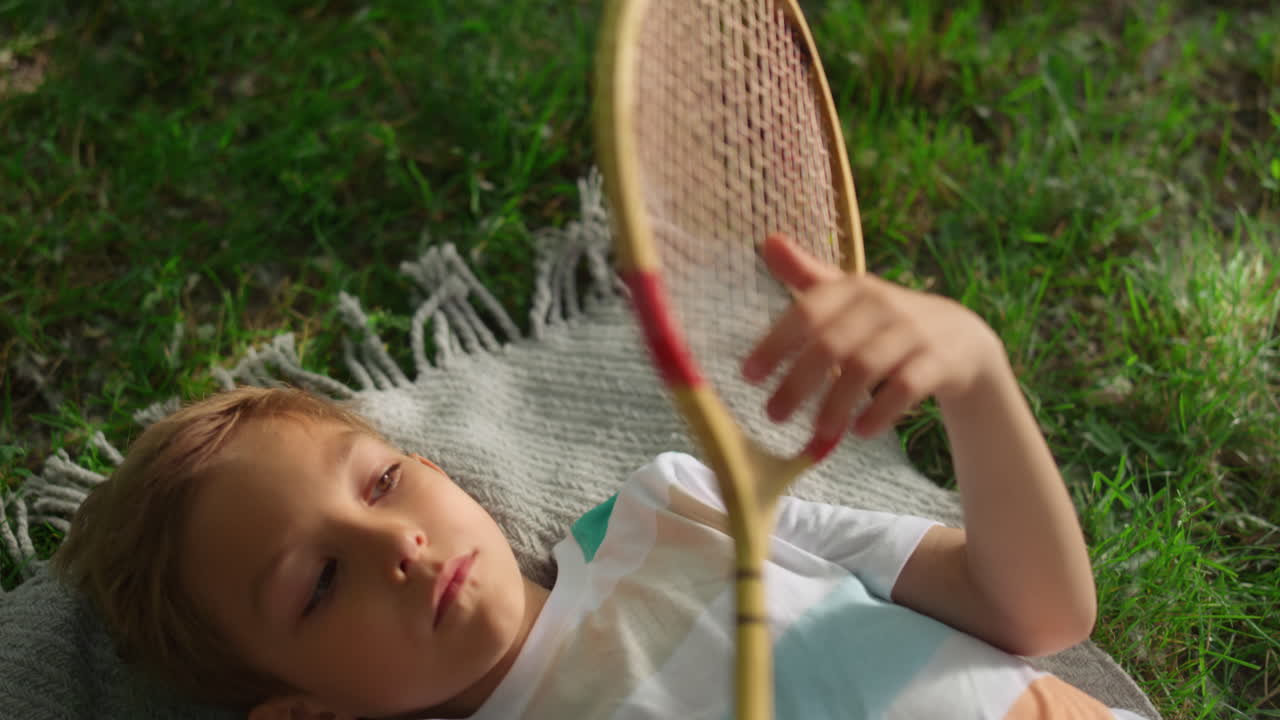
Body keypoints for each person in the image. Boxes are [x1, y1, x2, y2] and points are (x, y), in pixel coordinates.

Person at [53, 234, 1142, 719]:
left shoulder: (677, 505)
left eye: (382, 485)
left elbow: (1036, 610)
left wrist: (975, 377)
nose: (397, 547)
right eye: (318, 583)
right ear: (305, 716)